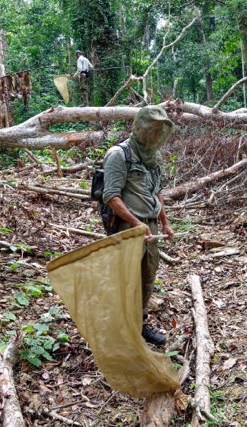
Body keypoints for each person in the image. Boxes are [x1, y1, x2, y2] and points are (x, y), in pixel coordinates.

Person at [101, 105, 175, 345]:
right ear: (140, 128)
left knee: (146, 276)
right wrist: (135, 223)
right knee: (126, 277)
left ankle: (140, 323)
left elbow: (157, 191)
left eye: (159, 132)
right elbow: (111, 196)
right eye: (151, 130)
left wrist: (164, 222)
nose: (154, 136)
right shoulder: (118, 154)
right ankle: (120, 327)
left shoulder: (152, 155)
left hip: (150, 227)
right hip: (127, 226)